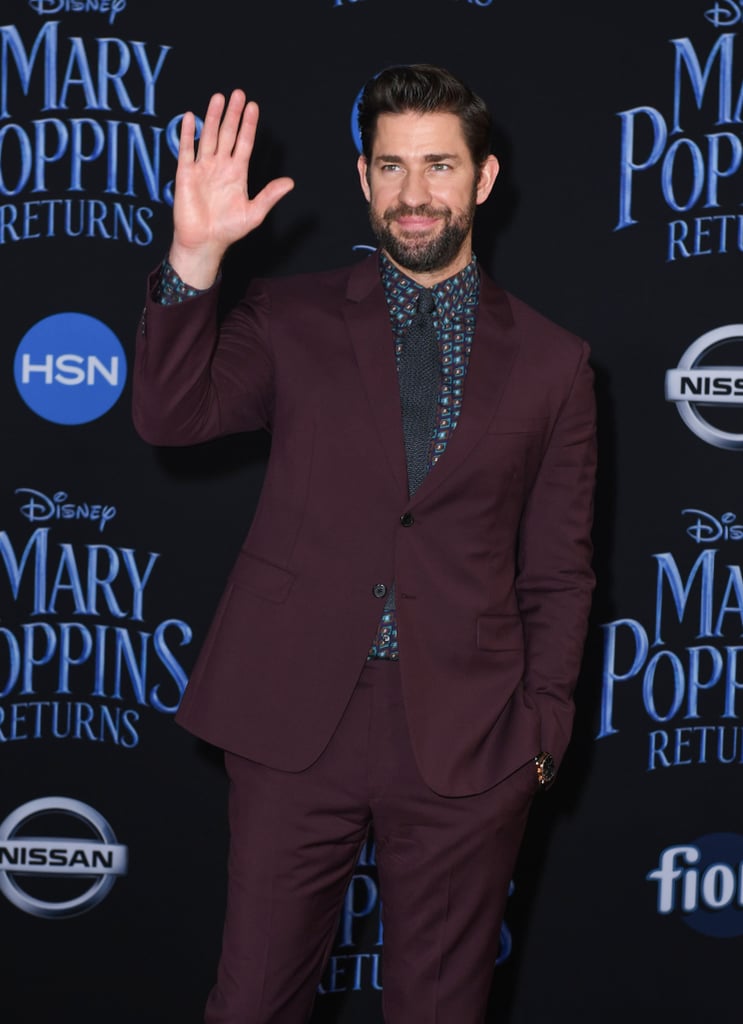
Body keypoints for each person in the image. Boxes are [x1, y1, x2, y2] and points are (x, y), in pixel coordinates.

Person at [132, 64, 597, 1024]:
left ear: (483, 179)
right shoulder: (292, 317)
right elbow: (171, 419)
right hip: (294, 721)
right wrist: (193, 259)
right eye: (391, 168)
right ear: (362, 179)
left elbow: (557, 569)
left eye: (437, 166)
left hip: (470, 738)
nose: (414, 194)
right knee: (253, 1000)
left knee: (439, 1010)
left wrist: (541, 739)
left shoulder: (556, 364)